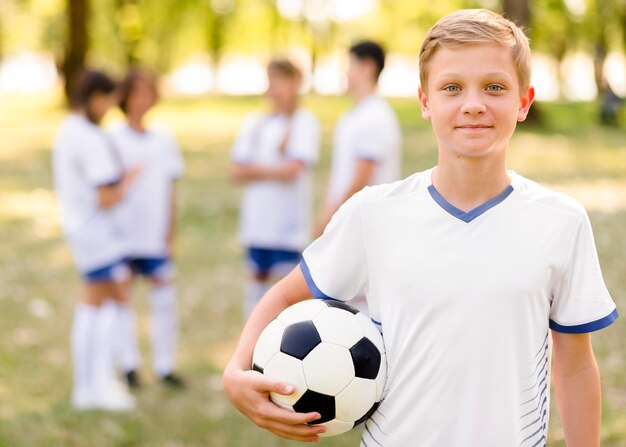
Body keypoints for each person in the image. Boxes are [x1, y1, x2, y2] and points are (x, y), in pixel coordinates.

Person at [222, 9, 618, 447]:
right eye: (451, 88)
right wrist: (236, 371)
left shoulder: (561, 221)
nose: (473, 104)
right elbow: (283, 295)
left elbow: (576, 365)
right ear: (425, 101)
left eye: (495, 87)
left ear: (523, 101)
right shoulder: (373, 213)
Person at [53, 69, 141, 411]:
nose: (108, 109)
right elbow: (106, 196)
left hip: (82, 229)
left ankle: (91, 385)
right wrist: (130, 181)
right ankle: (97, 386)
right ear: (95, 97)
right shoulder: (88, 137)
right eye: (107, 101)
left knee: (96, 303)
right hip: (97, 232)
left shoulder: (68, 130)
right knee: (107, 303)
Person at [109, 68, 185, 388]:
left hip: (154, 235)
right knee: (123, 300)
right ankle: (129, 364)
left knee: (163, 298)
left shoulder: (164, 139)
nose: (142, 99)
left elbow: (170, 188)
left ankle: (165, 365)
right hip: (123, 234)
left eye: (148, 92)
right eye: (136, 93)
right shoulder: (112, 139)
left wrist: (169, 229)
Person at [230, 59, 320, 319]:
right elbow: (236, 170)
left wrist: (255, 169)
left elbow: (293, 170)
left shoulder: (304, 122)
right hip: (257, 223)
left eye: (281, 80)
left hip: (287, 226)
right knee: (255, 290)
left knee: (287, 295)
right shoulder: (256, 122)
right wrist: (272, 169)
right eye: (271, 80)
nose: (275, 88)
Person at [314, 40, 401, 237]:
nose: (346, 73)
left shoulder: (376, 116)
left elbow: (362, 176)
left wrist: (334, 218)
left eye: (350, 65)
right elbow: (339, 172)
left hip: (364, 223)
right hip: (347, 220)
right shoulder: (352, 116)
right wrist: (326, 212)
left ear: (368, 68)